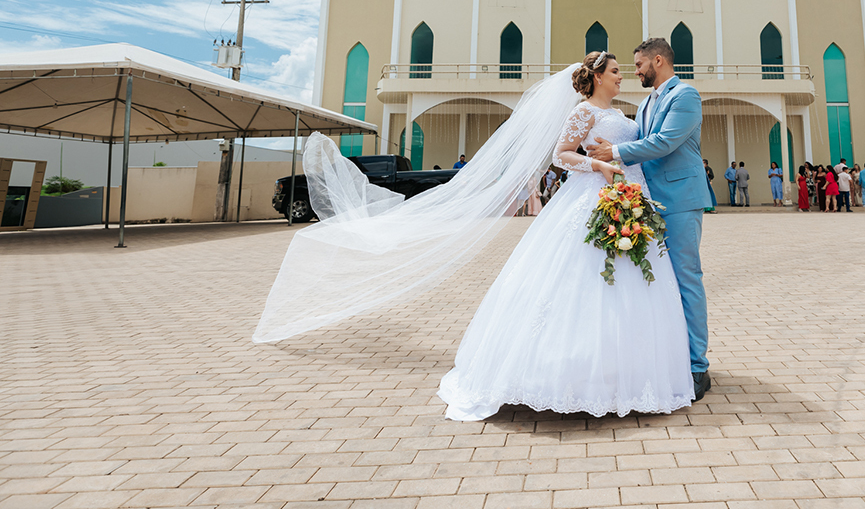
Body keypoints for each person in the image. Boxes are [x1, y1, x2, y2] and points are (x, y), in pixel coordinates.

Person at [254, 53, 696, 421]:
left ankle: (632, 373)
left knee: (634, 282)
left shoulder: (622, 114)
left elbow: (642, 147)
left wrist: (617, 171)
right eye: (617, 71)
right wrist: (596, 165)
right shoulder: (582, 112)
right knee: (581, 282)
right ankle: (571, 377)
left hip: (627, 199)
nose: (623, 77)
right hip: (590, 200)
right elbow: (561, 156)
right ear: (597, 76)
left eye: (626, 70)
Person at [589, 38, 713, 401]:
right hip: (647, 202)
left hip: (679, 199)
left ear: (658, 60)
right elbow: (640, 140)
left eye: (640, 65)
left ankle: (697, 366)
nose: (636, 72)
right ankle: (668, 357)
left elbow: (665, 141)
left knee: (687, 277)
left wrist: (614, 151)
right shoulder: (646, 103)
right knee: (661, 283)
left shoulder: (685, 95)